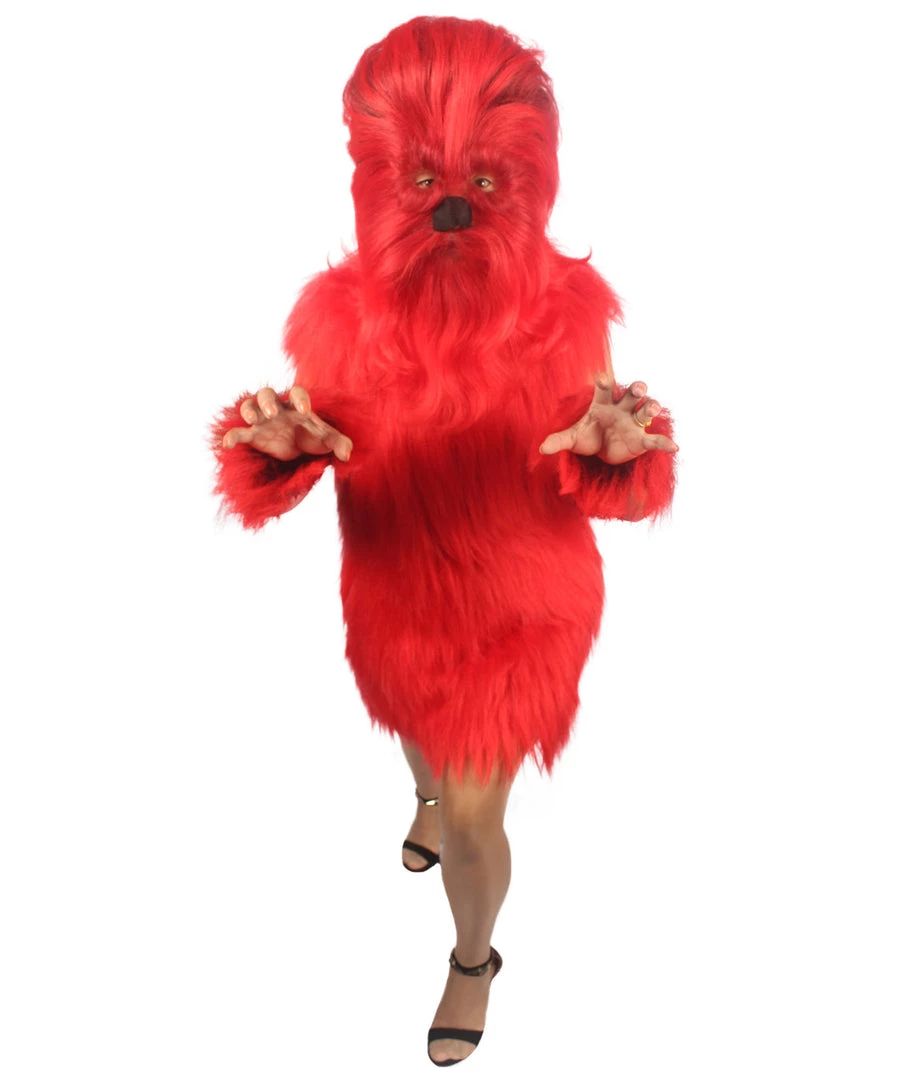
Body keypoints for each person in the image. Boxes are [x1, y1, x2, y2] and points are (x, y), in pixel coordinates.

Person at [211, 16, 677, 1067]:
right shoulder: (335, 321)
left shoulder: (569, 316)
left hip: (523, 605)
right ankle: (422, 792)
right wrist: (280, 449)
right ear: (383, 183)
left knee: (473, 819)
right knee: (417, 744)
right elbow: (314, 433)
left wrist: (618, 453)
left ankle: (473, 958)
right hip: (396, 589)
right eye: (426, 182)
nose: (455, 206)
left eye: (483, 183)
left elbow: (610, 465)